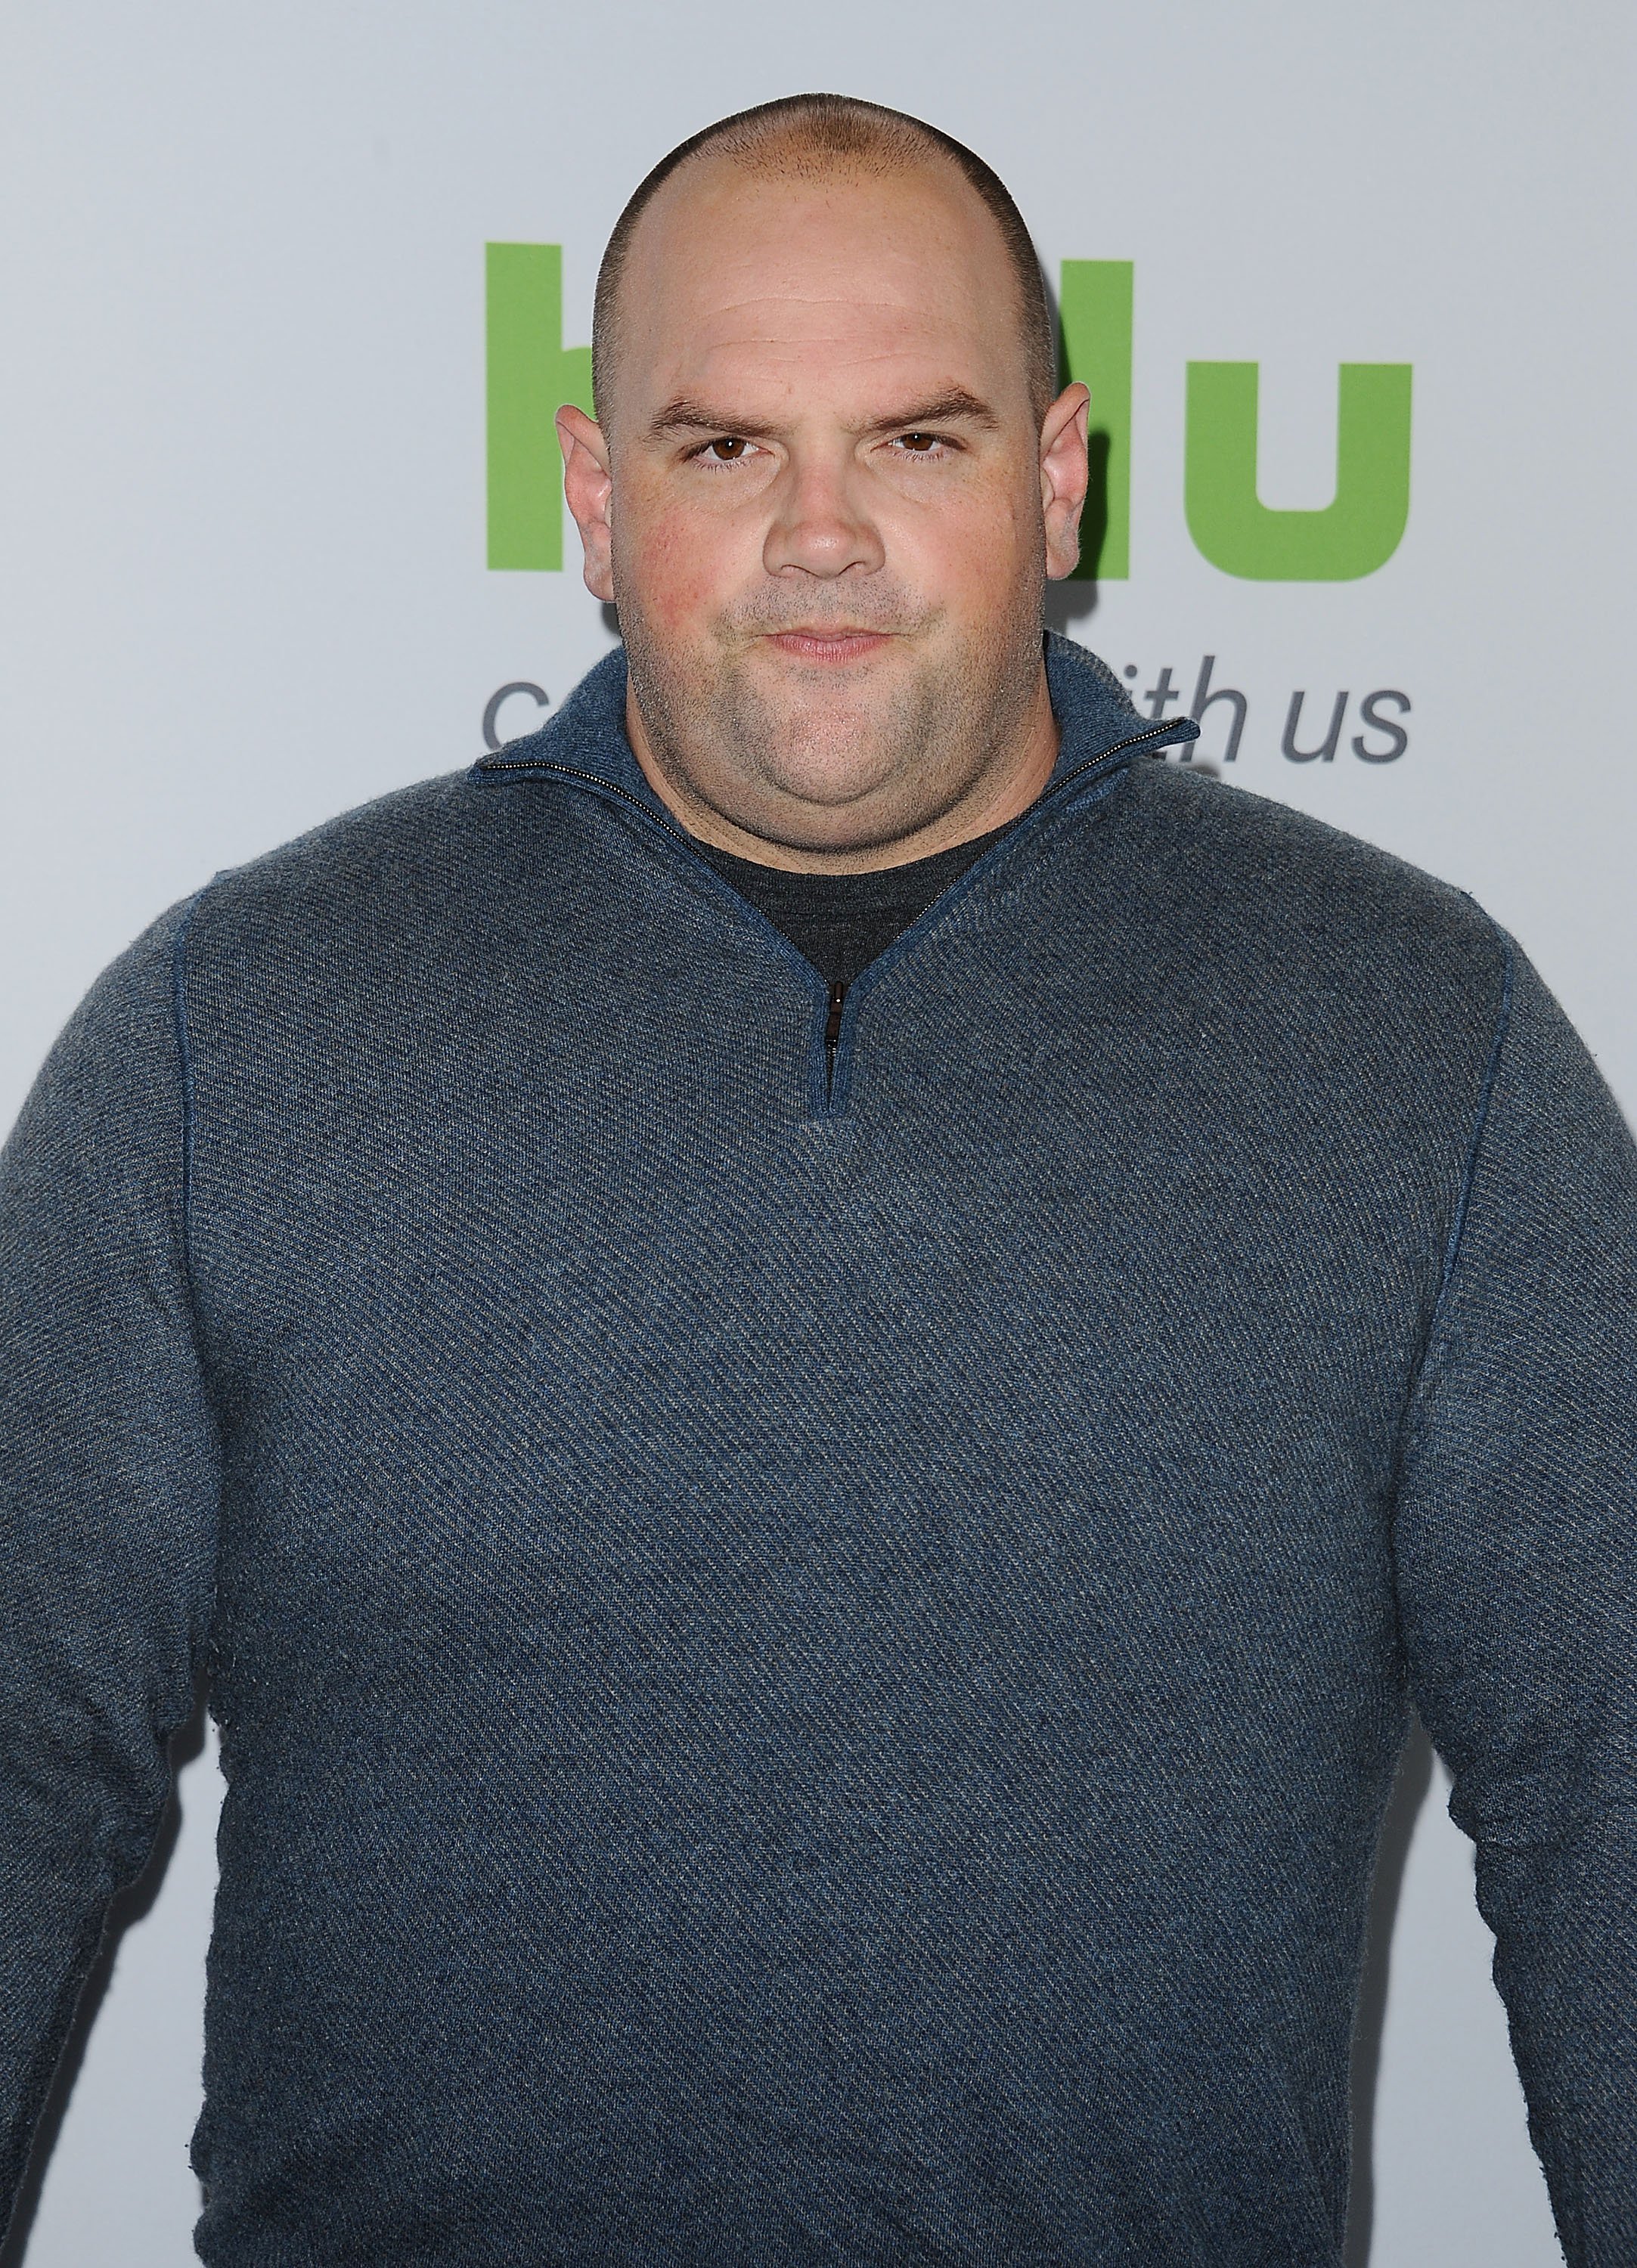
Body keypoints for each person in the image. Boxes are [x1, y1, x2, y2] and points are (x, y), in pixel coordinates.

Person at [0, 89, 1632, 2268]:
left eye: (919, 440)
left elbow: (1611, 1792)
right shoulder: (235, 1031)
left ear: (1059, 483)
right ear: (596, 496)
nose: (824, 534)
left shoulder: (1426, 1042)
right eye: (725, 447)